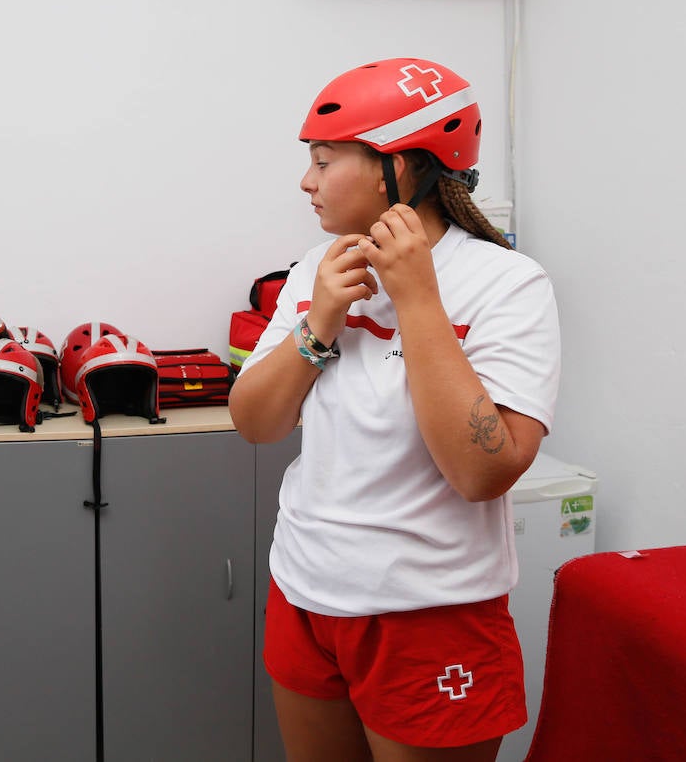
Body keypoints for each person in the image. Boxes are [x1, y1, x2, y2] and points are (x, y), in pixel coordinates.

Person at [229, 58, 560, 762]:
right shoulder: (315, 270)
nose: (306, 182)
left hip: (430, 611)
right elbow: (255, 423)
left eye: (324, 160)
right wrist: (317, 321)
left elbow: (482, 470)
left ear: (402, 167)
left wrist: (416, 301)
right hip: (305, 588)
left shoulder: (507, 284)